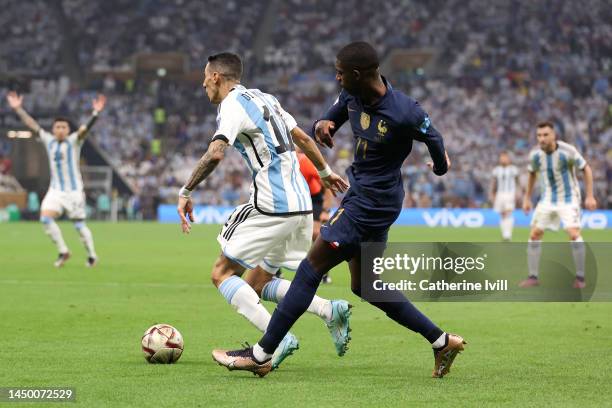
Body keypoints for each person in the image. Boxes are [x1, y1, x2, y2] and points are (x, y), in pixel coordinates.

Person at [212, 42, 465, 378]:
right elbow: (333, 115)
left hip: (371, 204)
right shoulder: (353, 95)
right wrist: (324, 124)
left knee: (311, 267)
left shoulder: (406, 111)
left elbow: (434, 138)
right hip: (366, 198)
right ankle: (441, 341)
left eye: (341, 73)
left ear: (358, 75)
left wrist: (440, 167)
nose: (336, 77)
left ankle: (261, 355)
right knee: (365, 286)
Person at [176, 53, 351, 369]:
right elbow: (301, 138)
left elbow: (216, 153)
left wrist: (186, 191)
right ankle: (329, 310)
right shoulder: (265, 99)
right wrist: (326, 173)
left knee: (222, 273)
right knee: (257, 282)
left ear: (216, 76)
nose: (202, 84)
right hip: (300, 207)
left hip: (272, 205)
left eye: (205, 77)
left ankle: (275, 340)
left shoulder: (231, 105)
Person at [6, 91, 105, 267]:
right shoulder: (48, 140)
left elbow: (84, 130)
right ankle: (63, 251)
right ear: (53, 129)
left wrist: (95, 114)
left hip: (74, 191)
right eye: (57, 127)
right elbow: (32, 124)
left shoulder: (74, 141)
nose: (60, 130)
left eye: (64, 127)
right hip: (56, 191)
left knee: (79, 226)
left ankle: (92, 255)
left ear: (68, 130)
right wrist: (18, 109)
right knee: (45, 218)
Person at [520, 121, 597, 289]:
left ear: (554, 135)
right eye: (539, 135)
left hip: (569, 199)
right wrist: (527, 198)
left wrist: (590, 196)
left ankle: (580, 278)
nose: (542, 139)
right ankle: (533, 277)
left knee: (573, 233)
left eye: (545, 135)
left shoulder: (567, 151)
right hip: (547, 200)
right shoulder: (535, 155)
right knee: (534, 235)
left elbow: (586, 169)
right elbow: (531, 174)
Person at [296, 147, 334, 283]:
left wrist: (325, 211)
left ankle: (323, 272)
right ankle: (275, 272)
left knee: (316, 233)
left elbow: (327, 185)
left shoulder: (305, 162)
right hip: (296, 199)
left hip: (314, 198)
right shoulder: (279, 163)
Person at [490, 152, 520, 241]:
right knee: (502, 214)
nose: (503, 159)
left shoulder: (513, 169)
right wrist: (492, 194)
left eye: (505, 157)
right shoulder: (496, 170)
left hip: (510, 193)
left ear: (509, 159)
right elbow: (494, 183)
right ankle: (505, 234)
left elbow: (518, 182)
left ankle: (508, 234)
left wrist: (518, 193)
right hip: (500, 194)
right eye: (501, 157)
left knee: (508, 213)